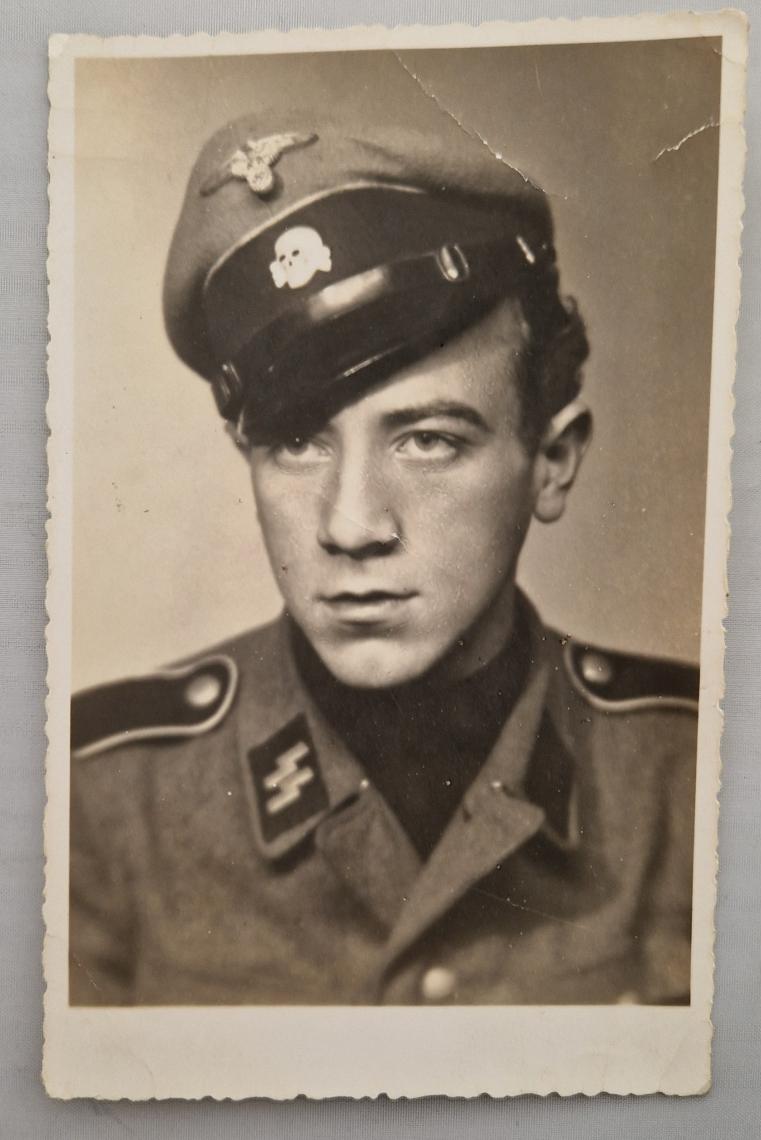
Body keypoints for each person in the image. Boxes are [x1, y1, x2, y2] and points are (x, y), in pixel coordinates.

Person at [69, 109, 699, 1007]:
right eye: (296, 443)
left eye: (429, 441)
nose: (353, 524)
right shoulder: (101, 799)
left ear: (551, 464)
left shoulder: (695, 778)